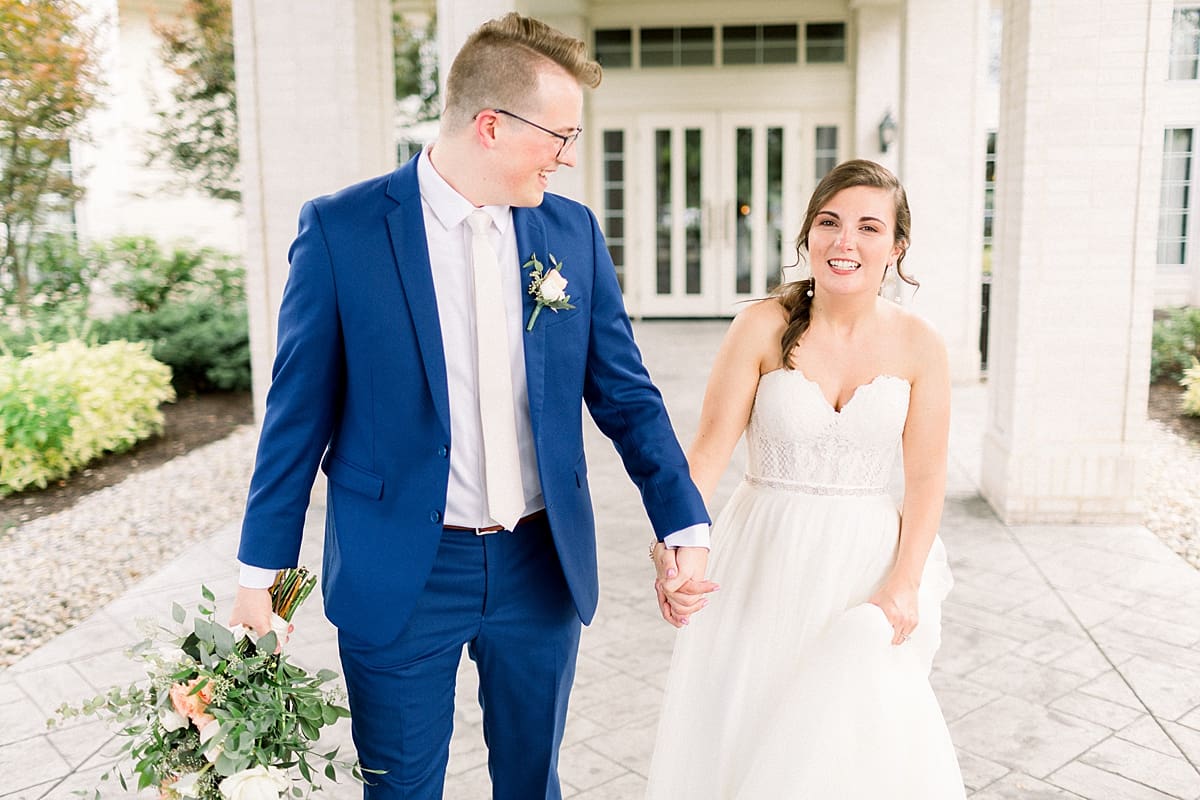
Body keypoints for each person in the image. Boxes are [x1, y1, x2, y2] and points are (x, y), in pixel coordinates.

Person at [227, 13, 711, 800]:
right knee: (402, 788)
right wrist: (263, 582)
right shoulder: (343, 230)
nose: (568, 156)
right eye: (559, 135)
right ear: (491, 125)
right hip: (401, 575)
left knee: (531, 783)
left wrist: (683, 522)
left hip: (538, 565)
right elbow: (294, 423)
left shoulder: (572, 233)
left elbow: (626, 394)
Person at [646, 159, 965, 797]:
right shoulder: (760, 325)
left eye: (868, 227)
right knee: (747, 724)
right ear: (808, 234)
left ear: (896, 247)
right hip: (762, 556)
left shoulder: (920, 343)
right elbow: (708, 448)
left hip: (864, 566)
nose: (845, 241)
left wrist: (905, 584)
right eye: (830, 222)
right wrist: (673, 542)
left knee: (853, 742)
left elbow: (927, 478)